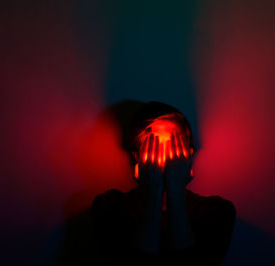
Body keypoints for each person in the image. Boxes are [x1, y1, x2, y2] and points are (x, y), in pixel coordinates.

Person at [92, 101, 236, 265]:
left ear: (188, 155)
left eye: (173, 149)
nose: (164, 159)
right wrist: (155, 192)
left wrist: (174, 190)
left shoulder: (216, 211)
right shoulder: (111, 207)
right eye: (153, 149)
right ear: (137, 157)